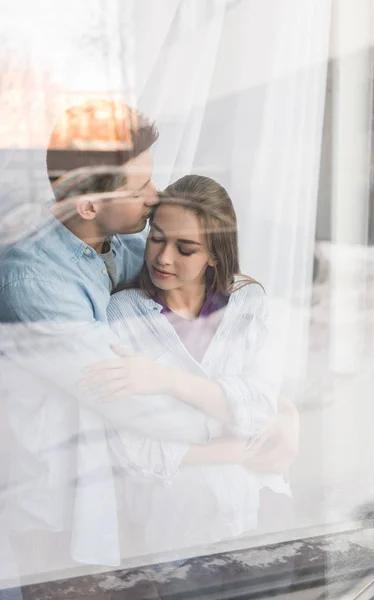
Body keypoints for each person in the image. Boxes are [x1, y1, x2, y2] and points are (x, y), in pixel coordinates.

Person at [0, 101, 298, 570]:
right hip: (55, 500)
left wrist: (281, 408)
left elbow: (209, 290)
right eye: (140, 187)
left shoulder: (130, 240)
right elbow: (131, 400)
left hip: (119, 493)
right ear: (90, 204)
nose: (155, 196)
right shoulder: (34, 282)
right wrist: (243, 426)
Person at [80, 174, 295, 553]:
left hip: (263, 510)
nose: (163, 257)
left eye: (186, 248)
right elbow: (135, 448)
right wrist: (235, 442)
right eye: (157, 238)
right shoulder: (121, 315)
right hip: (177, 529)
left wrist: (164, 381)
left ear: (214, 253)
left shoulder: (248, 301)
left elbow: (261, 408)